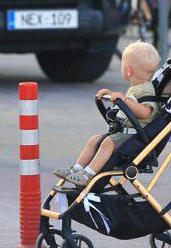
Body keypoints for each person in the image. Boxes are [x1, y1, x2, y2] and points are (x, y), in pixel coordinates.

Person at [52, 42, 161, 185]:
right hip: (123, 131)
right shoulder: (136, 87)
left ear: (128, 70)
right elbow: (126, 102)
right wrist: (111, 95)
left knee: (108, 142)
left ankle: (88, 175)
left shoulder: (146, 89)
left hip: (134, 135)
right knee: (95, 139)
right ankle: (77, 168)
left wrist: (125, 101)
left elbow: (146, 112)